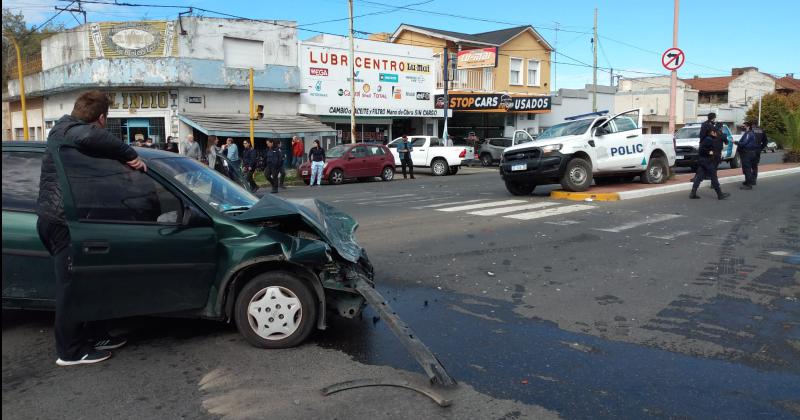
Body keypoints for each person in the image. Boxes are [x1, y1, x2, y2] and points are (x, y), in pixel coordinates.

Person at [37, 90, 146, 366]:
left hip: (77, 221)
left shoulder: (66, 131)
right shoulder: (69, 132)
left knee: (91, 283)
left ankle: (96, 334)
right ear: (100, 119)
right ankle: (70, 352)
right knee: (71, 288)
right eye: (104, 121)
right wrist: (129, 153)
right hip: (62, 222)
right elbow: (90, 136)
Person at [689, 126, 730, 200]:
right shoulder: (709, 140)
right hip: (707, 161)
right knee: (714, 176)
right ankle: (720, 194)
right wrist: (710, 153)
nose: (717, 134)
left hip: (703, 161)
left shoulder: (707, 139)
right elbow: (703, 150)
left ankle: (693, 193)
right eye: (716, 132)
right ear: (712, 132)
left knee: (699, 176)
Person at [736, 121, 762, 190]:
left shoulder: (749, 134)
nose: (742, 127)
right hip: (751, 153)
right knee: (748, 168)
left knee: (747, 169)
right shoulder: (750, 133)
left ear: (748, 126)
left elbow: (744, 143)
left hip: (747, 153)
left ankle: (749, 185)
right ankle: (748, 181)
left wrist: (736, 143)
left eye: (744, 126)